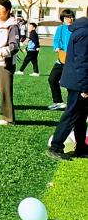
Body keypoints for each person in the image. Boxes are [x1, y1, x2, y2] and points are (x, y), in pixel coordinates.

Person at [46, 14, 88, 161]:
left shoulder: (81, 29)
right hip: (79, 81)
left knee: (81, 115)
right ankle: (56, 146)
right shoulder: (85, 33)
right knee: (72, 114)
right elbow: (82, 61)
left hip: (78, 79)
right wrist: (84, 87)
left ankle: (81, 147)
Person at [49, 10, 75, 110]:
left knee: (70, 83)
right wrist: (57, 47)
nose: (69, 19)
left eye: (71, 17)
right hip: (61, 58)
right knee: (52, 79)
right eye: (67, 17)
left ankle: (73, 104)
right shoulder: (60, 28)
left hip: (72, 60)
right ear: (63, 19)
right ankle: (58, 102)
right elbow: (56, 40)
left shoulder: (76, 29)